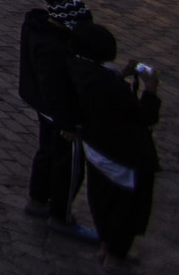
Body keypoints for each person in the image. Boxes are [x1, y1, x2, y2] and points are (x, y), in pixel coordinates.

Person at [67, 22, 160, 267]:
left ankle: (105, 247)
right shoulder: (110, 85)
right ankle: (116, 256)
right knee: (126, 209)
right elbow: (144, 117)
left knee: (102, 199)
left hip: (96, 149)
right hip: (123, 155)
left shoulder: (78, 70)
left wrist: (120, 76)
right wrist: (150, 90)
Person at [19, 0, 94, 236]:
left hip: (43, 106)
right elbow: (55, 89)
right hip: (58, 112)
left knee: (46, 152)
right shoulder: (53, 49)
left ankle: (37, 199)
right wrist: (67, 124)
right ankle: (61, 216)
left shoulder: (36, 30)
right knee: (67, 165)